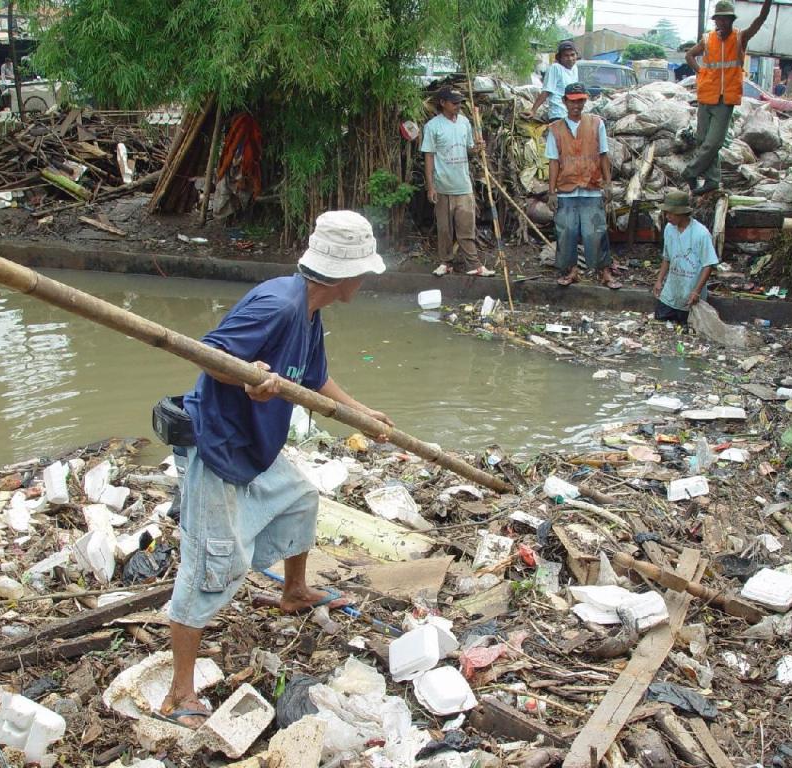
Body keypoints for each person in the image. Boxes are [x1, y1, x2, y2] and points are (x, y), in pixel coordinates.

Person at [159, 210, 393, 728]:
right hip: (218, 447)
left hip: (255, 448)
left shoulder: (309, 314)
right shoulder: (279, 304)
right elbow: (211, 353)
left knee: (300, 500)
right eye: (364, 272)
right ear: (343, 273)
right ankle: (179, 693)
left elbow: (315, 379)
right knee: (211, 567)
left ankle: (293, 591)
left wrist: (361, 414)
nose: (366, 281)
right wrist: (247, 377)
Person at [682, 0, 772, 195]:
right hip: (706, 96)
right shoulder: (708, 39)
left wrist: (768, 3)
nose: (723, 22)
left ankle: (690, 172)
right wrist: (701, 73)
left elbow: (760, 20)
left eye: (726, 19)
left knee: (714, 142)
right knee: (702, 140)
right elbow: (689, 55)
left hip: (725, 99)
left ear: (731, 20)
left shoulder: (740, 37)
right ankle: (712, 181)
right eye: (720, 19)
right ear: (716, 20)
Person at [545, 82, 618, 289]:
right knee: (566, 233)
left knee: (595, 233)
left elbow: (603, 155)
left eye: (580, 101)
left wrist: (608, 184)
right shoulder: (555, 129)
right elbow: (553, 162)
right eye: (573, 101)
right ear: (565, 102)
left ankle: (604, 272)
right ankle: (571, 271)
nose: (577, 105)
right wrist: (552, 192)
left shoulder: (596, 124)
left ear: (585, 101)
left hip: (591, 187)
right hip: (566, 189)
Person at [421, 86, 493, 277]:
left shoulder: (465, 122)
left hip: (463, 185)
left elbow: (468, 149)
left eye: (460, 102)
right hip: (442, 186)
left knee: (466, 228)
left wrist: (477, 148)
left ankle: (474, 264)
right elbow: (429, 157)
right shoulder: (433, 127)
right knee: (444, 229)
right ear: (443, 103)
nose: (458, 106)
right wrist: (431, 187)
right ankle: (446, 262)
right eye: (454, 103)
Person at [652, 190, 719, 323]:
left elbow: (708, 265)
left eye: (671, 213)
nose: (667, 216)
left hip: (690, 290)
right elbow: (667, 258)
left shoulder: (701, 233)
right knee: (660, 320)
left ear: (681, 213)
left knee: (687, 324)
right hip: (672, 289)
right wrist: (659, 281)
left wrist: (696, 291)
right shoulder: (669, 229)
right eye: (666, 213)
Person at [528, 40, 579, 121]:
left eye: (572, 55)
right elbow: (546, 91)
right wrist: (533, 110)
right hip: (558, 113)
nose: (570, 58)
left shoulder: (574, 68)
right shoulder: (555, 68)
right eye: (566, 56)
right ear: (560, 57)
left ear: (576, 55)